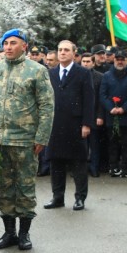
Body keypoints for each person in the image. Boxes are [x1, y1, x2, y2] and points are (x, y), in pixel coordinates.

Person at [0, 29, 54, 251]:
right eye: (6, 43)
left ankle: (24, 233)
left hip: (26, 140)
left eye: (13, 43)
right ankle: (9, 232)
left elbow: (47, 105)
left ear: (24, 46)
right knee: (5, 188)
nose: (8, 47)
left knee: (25, 187)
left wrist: (42, 136)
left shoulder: (37, 71)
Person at [44, 40, 94, 211]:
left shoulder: (83, 73)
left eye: (66, 50)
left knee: (78, 163)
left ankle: (80, 197)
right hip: (55, 124)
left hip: (75, 124)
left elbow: (89, 100)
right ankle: (57, 197)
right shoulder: (51, 73)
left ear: (74, 53)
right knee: (56, 162)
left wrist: (86, 124)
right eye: (60, 50)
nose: (62, 53)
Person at [98, 50, 127, 177]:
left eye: (122, 59)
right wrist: (111, 108)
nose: (120, 61)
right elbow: (102, 95)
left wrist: (124, 108)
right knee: (112, 143)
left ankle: (125, 168)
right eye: (117, 59)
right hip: (111, 115)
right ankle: (113, 167)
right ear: (114, 60)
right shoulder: (107, 75)